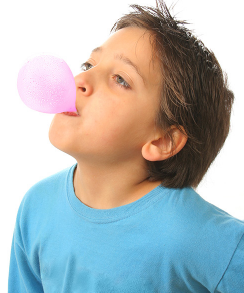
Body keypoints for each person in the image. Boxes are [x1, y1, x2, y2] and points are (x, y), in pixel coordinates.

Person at [8, 0, 244, 292]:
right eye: (89, 64)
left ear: (162, 140)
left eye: (120, 79)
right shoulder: (37, 207)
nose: (79, 79)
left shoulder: (198, 236)